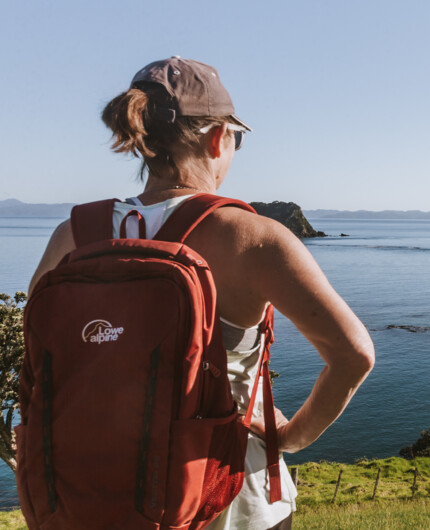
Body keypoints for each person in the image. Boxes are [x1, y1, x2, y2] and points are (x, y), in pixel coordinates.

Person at [28, 57, 375, 530]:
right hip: (225, 502)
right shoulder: (252, 237)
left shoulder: (73, 235)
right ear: (218, 138)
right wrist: (293, 436)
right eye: (237, 137)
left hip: (90, 499)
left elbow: (40, 358)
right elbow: (353, 354)